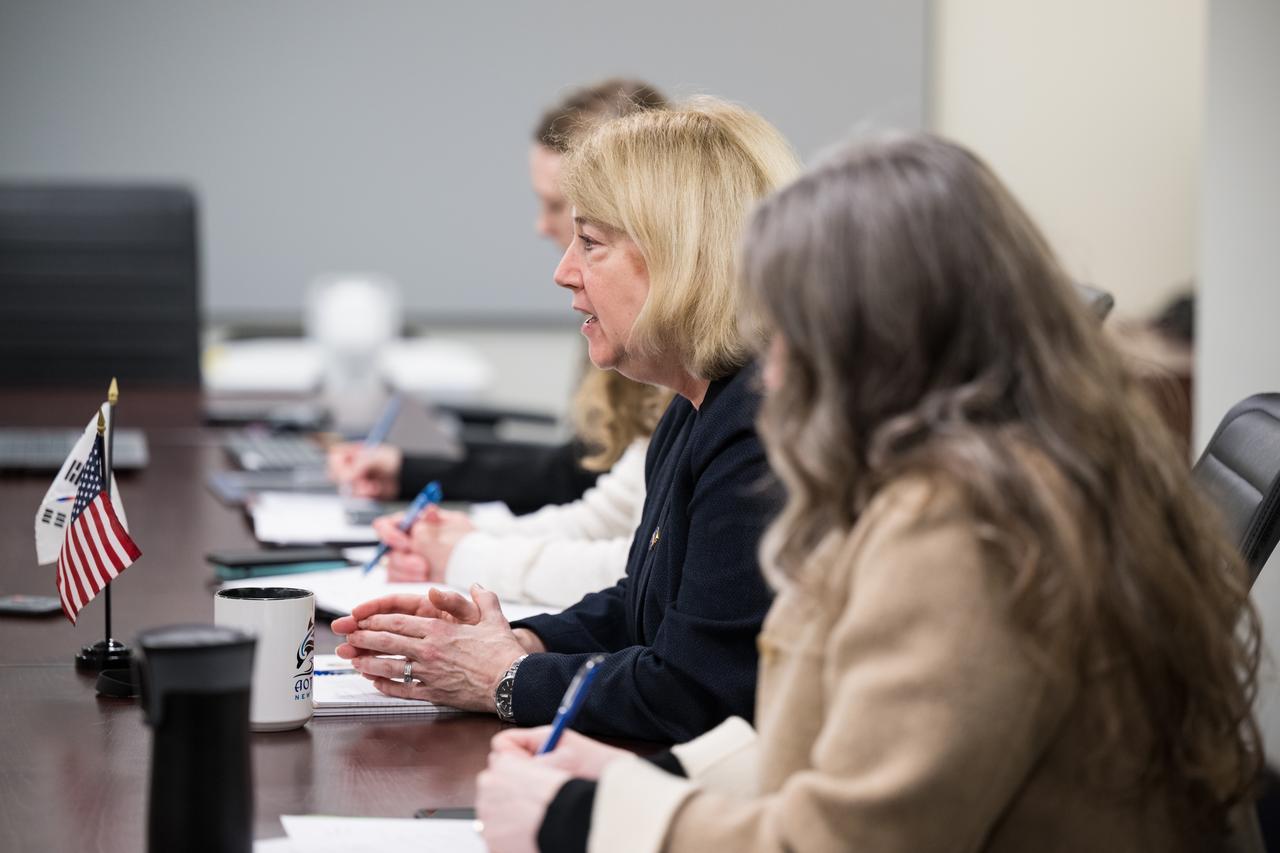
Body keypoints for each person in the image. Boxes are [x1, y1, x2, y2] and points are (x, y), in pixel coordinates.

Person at [472, 134, 1263, 852]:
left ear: (881, 340)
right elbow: (844, 742)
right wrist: (649, 778)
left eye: (790, 333)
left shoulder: (964, 533)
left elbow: (850, 839)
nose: (771, 373)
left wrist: (578, 817)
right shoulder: (997, 470)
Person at [330, 97, 802, 742]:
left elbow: (693, 693)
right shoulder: (700, 405)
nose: (563, 272)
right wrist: (520, 638)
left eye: (591, 243)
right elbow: (648, 603)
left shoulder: (760, 433)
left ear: (679, 258)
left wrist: (506, 678)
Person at [327, 79, 670, 515]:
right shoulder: (610, 312)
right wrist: (409, 472)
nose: (542, 226)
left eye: (555, 205)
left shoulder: (661, 344)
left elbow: (582, 484)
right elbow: (586, 471)